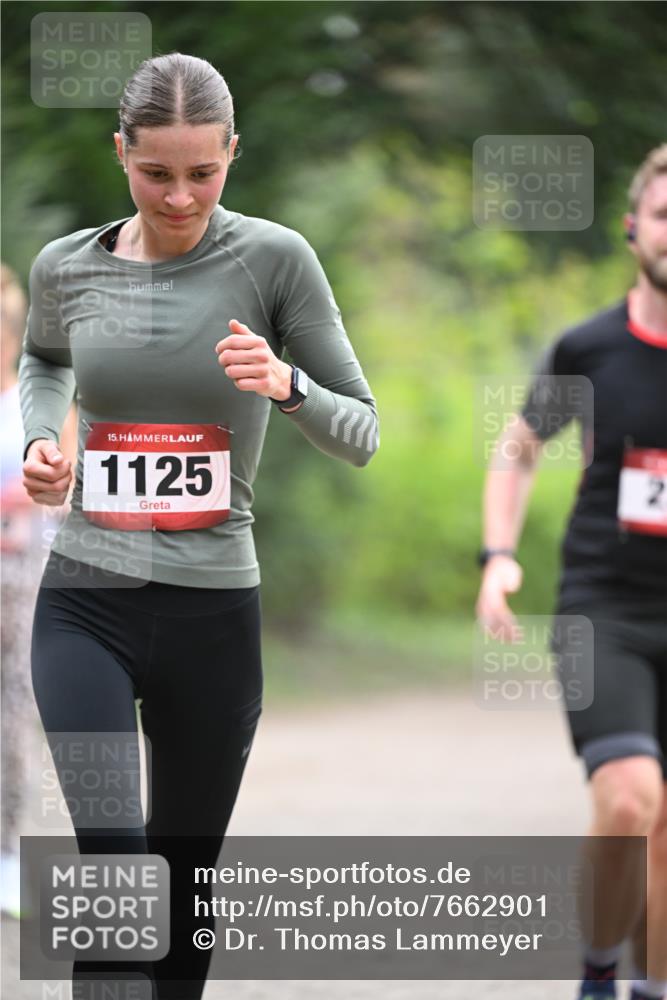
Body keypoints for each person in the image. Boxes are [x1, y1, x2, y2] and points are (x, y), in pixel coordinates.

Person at [19, 52, 379, 999]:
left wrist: (288, 386)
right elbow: (44, 363)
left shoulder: (274, 260)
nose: (179, 196)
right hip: (85, 601)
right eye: (155, 173)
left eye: (202, 172)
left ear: (231, 154)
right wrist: (37, 447)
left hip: (212, 614)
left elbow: (363, 432)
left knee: (180, 892)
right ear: (121, 155)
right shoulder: (66, 266)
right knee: (115, 860)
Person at [475, 144, 667, 1000]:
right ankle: (598, 975)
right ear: (633, 229)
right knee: (629, 798)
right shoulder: (589, 348)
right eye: (664, 215)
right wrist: (498, 558)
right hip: (607, 607)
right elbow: (515, 451)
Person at [0, 263, 76, 918]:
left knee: (13, 713)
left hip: (23, 580)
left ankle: (5, 849)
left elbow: (60, 482)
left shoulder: (37, 401)